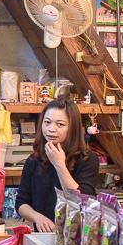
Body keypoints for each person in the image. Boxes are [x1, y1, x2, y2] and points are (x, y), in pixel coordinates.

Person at [15, 99, 100, 231]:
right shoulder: (33, 160)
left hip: (76, 238)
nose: (51, 129)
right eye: (47, 122)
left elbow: (82, 202)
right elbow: (21, 203)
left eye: (60, 124)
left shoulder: (88, 159)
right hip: (44, 236)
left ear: (72, 128)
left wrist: (59, 164)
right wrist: (37, 217)